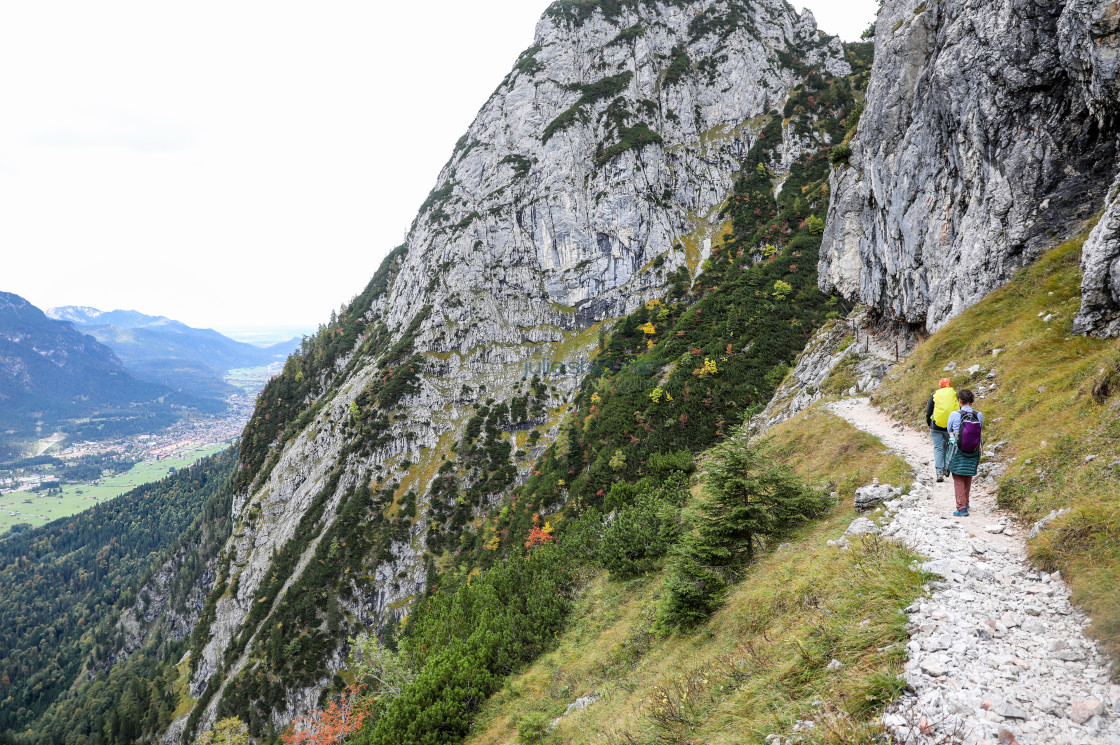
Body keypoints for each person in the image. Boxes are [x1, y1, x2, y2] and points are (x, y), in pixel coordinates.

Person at [946, 389, 983, 517]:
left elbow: (949, 429)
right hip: (974, 449)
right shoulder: (979, 415)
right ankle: (966, 502)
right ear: (971, 400)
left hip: (958, 449)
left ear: (960, 400)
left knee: (958, 476)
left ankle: (961, 508)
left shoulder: (954, 414)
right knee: (968, 474)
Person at [926, 378, 959, 482]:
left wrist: (929, 423)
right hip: (951, 427)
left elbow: (929, 412)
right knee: (950, 446)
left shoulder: (935, 394)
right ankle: (947, 468)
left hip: (936, 426)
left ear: (940, 385)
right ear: (949, 384)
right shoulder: (955, 394)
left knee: (939, 448)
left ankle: (939, 472)